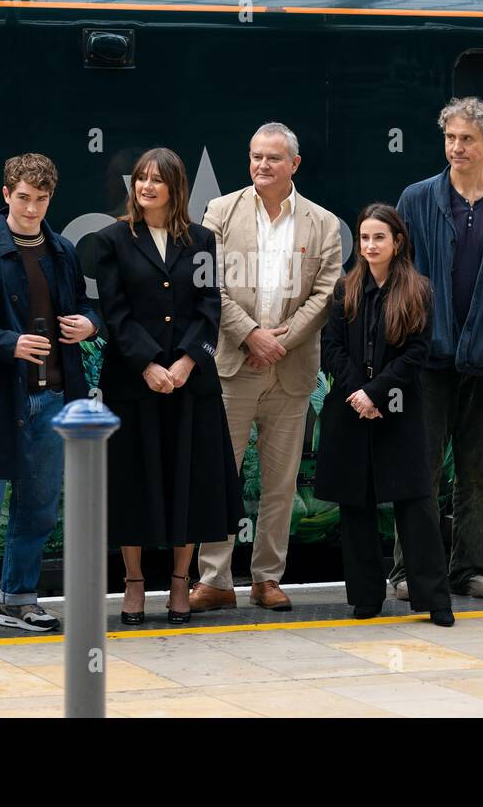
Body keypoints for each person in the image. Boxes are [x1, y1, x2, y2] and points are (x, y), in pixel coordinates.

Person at [0, 154, 99, 641]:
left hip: (52, 396)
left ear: (51, 198)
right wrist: (9, 343)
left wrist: (89, 324)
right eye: (24, 198)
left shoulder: (63, 250)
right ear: (6, 194)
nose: (32, 209)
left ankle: (19, 601)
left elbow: (87, 303)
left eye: (42, 199)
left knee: (38, 506)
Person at [191, 122, 342, 613]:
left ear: (294, 165)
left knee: (281, 482)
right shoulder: (219, 212)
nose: (261, 165)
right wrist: (250, 334)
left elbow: (327, 295)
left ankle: (266, 578)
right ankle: (214, 580)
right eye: (255, 156)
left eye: (273, 158)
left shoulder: (323, 222)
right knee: (221, 475)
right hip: (235, 364)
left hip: (292, 369)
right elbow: (208, 284)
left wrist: (284, 340)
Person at [392, 98, 483, 601]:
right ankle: (408, 573)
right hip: (426, 360)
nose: (457, 147)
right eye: (451, 137)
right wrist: (419, 329)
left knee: (478, 471)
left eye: (467, 139)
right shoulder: (415, 199)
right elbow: (397, 276)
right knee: (422, 467)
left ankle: (468, 570)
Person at [94, 148, 242, 624]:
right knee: (132, 483)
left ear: (175, 188)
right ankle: (134, 583)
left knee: (188, 482)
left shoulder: (201, 240)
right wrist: (148, 365)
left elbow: (208, 307)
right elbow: (114, 312)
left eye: (158, 180)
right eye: (141, 179)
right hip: (133, 386)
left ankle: (181, 582)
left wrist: (183, 364)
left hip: (190, 386)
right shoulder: (113, 239)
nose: (147, 187)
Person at [316, 204, 454, 626]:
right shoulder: (345, 289)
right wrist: (358, 392)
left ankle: (435, 600)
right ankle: (365, 598)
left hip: (398, 410)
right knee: (355, 507)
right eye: (364, 238)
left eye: (379, 237)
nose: (371, 245)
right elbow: (331, 347)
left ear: (397, 242)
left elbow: (417, 353)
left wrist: (375, 392)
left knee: (415, 505)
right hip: (351, 410)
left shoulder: (419, 290)